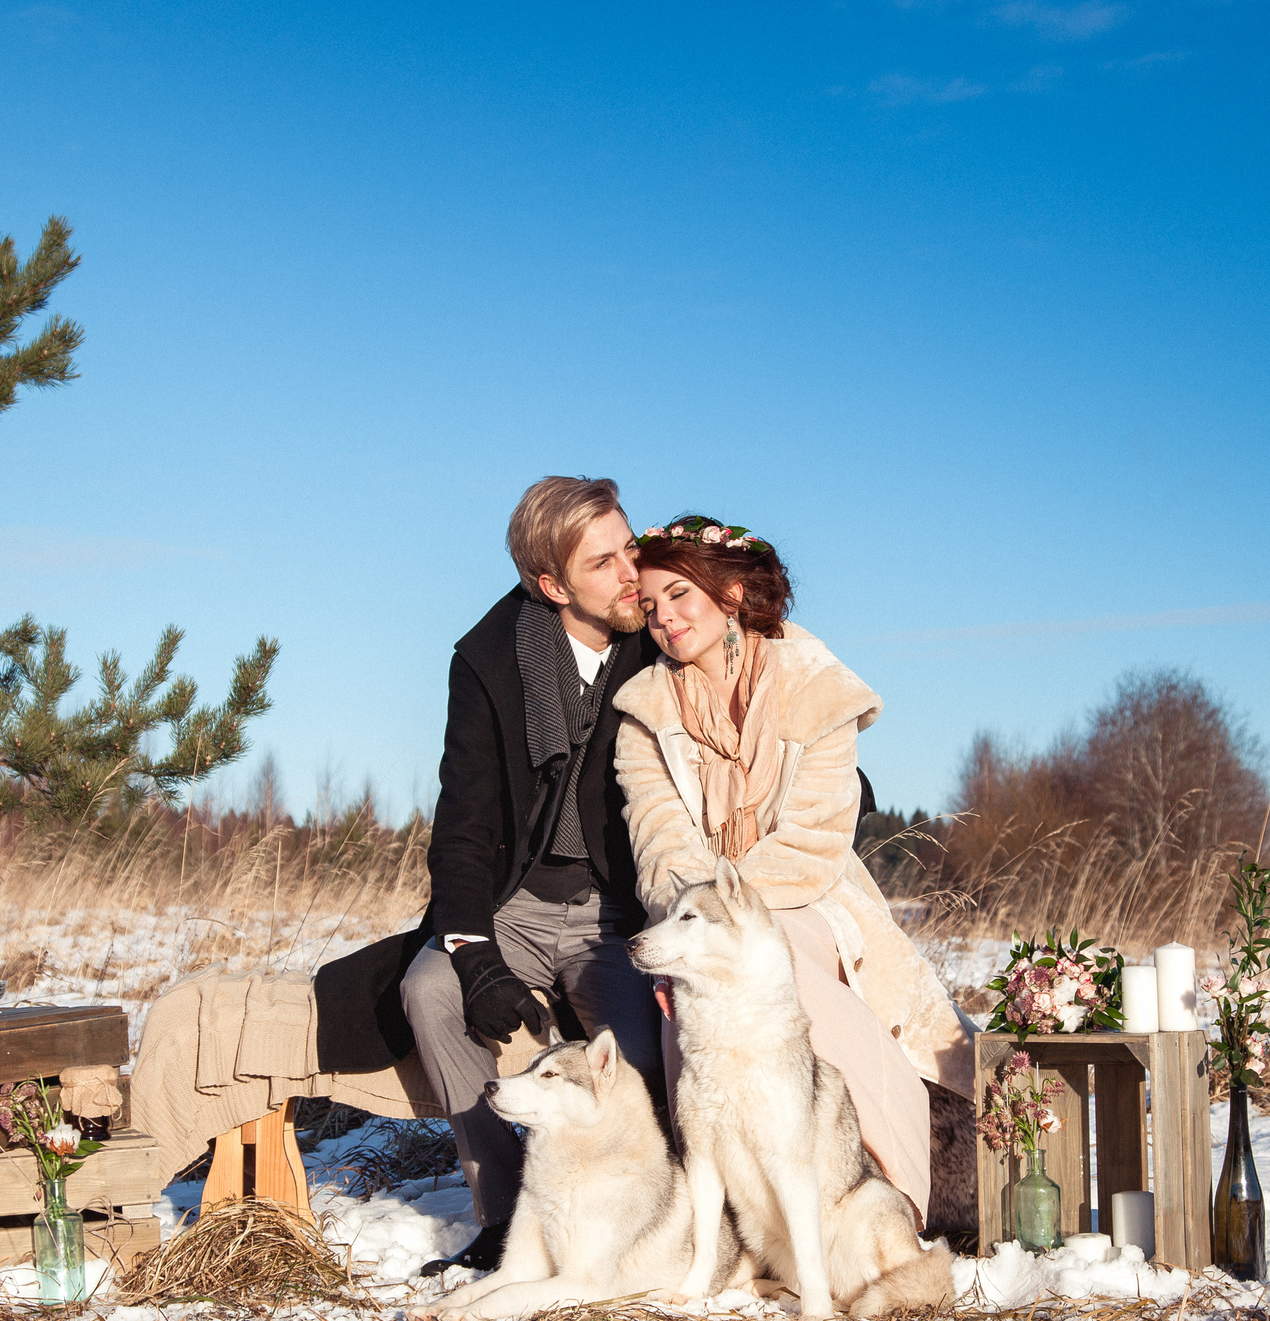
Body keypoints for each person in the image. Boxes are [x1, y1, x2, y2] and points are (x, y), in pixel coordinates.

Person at [311, 476, 666, 1277]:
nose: (631, 573)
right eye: (604, 562)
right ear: (552, 585)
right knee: (427, 990)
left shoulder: (659, 637)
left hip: (617, 913)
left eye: (630, 547)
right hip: (513, 902)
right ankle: (508, 1218)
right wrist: (473, 954)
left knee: (643, 1052)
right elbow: (464, 824)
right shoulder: (487, 661)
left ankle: (634, 1222)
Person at [610, 515, 976, 1226]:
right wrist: (702, 929)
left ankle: (885, 1195)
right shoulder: (644, 715)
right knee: (691, 986)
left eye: (680, 594)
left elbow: (815, 840)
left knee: (785, 963)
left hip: (810, 898)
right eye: (650, 605)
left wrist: (734, 924)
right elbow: (658, 846)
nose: (664, 618)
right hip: (692, 914)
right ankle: (741, 1220)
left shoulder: (817, 685)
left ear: (732, 592)